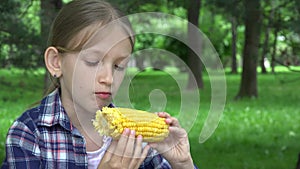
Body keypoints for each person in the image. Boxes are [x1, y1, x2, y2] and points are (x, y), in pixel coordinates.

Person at [1, 0, 197, 168]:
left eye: (119, 66)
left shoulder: (135, 137)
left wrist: (183, 163)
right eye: (93, 62)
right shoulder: (28, 134)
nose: (108, 78)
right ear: (56, 62)